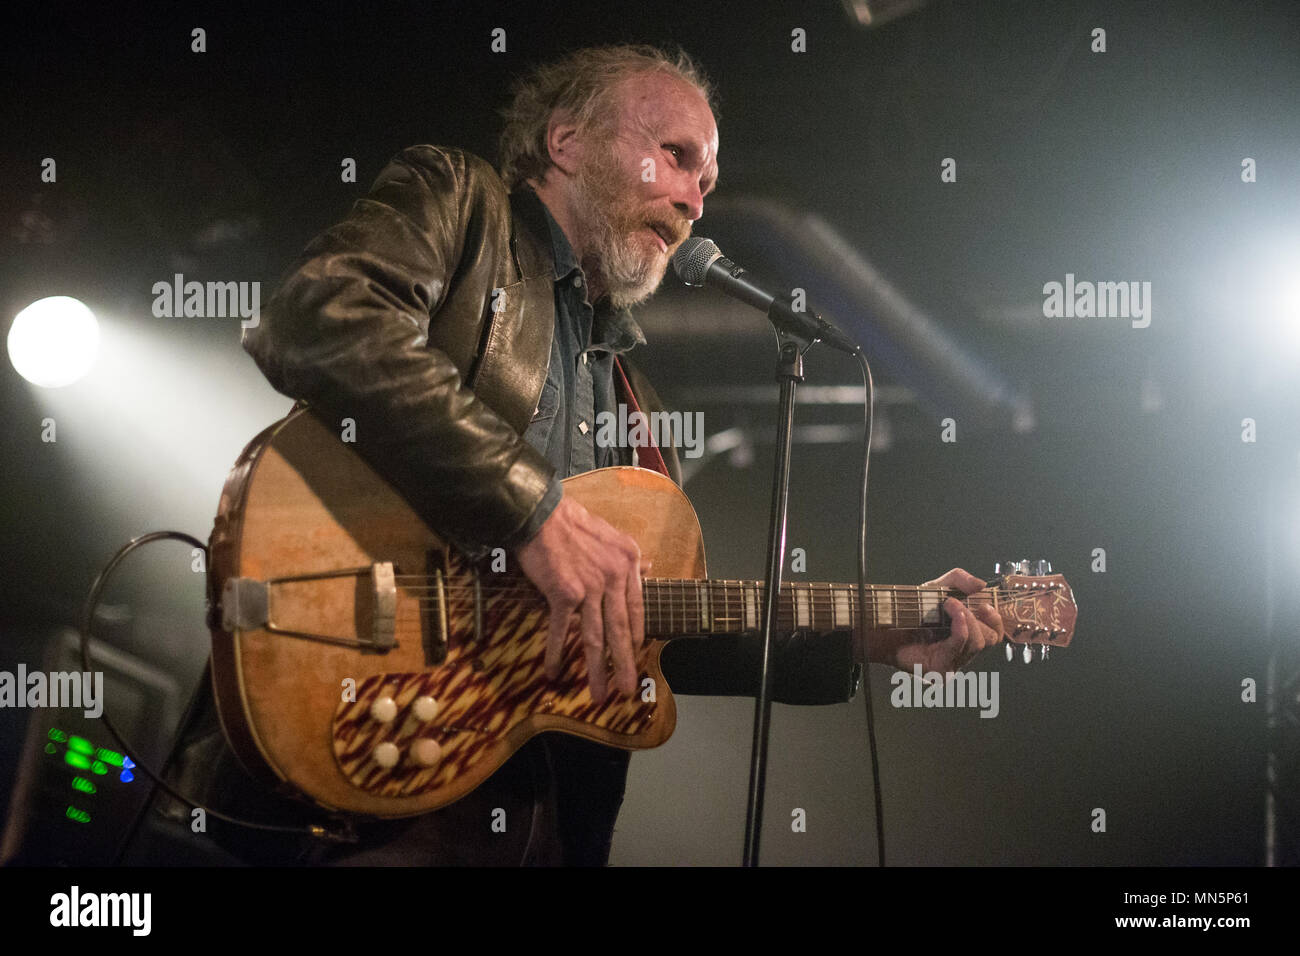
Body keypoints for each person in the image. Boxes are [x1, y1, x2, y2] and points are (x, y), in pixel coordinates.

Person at [169, 44, 1004, 866]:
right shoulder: (465, 206)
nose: (693, 202)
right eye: (675, 158)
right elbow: (317, 317)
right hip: (352, 775)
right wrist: (533, 510)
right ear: (566, 142)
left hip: (533, 820)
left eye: (706, 184)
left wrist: (868, 630)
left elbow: (647, 631)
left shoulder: (640, 405)